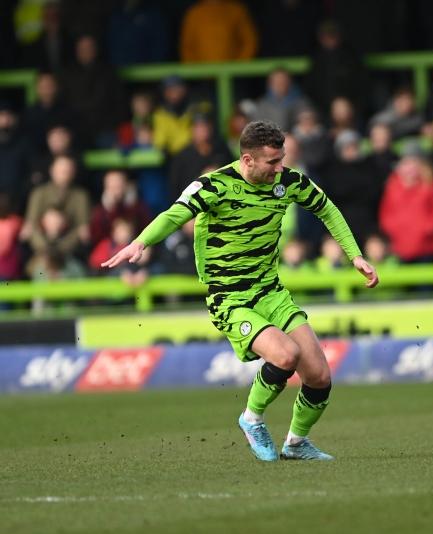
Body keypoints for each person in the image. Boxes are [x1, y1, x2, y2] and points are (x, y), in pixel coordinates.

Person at [102, 121, 379, 462]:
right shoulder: (214, 185)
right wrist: (140, 243)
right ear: (247, 160)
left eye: (282, 159)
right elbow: (174, 215)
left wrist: (355, 255)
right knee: (285, 356)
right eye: (272, 162)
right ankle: (251, 419)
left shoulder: (287, 182)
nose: (280, 169)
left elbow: (327, 209)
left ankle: (295, 443)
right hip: (230, 297)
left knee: (320, 377)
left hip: (271, 291)